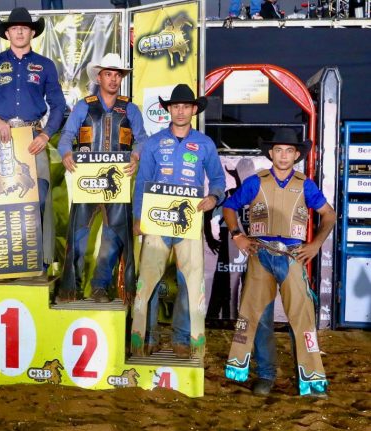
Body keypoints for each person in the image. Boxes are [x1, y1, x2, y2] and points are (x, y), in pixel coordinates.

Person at [223, 128, 334, 397]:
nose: (284, 155)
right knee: (259, 317)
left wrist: (316, 244)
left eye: (289, 151)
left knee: (302, 317)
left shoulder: (305, 184)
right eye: (279, 150)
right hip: (260, 254)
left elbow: (328, 215)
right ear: (271, 154)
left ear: (296, 155)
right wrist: (237, 235)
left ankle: (309, 378)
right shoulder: (255, 182)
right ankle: (266, 374)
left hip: (293, 255)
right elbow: (229, 206)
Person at [131, 84, 226, 359]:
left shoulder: (205, 144)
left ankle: (184, 339)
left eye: (186, 106)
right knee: (147, 280)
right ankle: (145, 338)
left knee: (189, 281)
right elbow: (142, 182)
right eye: (176, 106)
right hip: (156, 219)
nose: (181, 111)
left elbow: (218, 180)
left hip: (189, 220)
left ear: (194, 109)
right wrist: (138, 217)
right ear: (168, 110)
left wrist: (213, 197)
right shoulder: (153, 142)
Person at [0, 6, 67, 271]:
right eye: (15, 28)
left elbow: (59, 105)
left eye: (25, 27)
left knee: (38, 201)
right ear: (8, 33)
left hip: (33, 138)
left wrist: (46, 134)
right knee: (0, 201)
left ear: (32, 31)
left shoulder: (45, 66)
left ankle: (37, 269)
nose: (20, 31)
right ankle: (0, 268)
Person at [56, 53, 146, 303]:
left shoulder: (131, 108)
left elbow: (142, 139)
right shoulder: (85, 105)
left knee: (113, 236)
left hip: (116, 182)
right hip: (87, 179)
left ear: (121, 78)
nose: (113, 79)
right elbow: (66, 137)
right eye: (109, 74)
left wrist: (136, 155)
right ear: (99, 76)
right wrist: (66, 154)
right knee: (78, 234)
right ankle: (71, 287)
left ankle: (100, 286)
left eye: (117, 75)